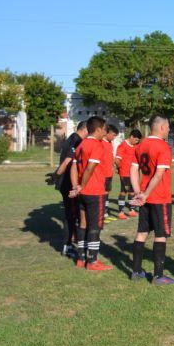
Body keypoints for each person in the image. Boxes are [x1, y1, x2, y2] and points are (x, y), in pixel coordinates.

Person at [129, 115, 174, 285]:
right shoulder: (163, 147)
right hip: (159, 198)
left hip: (145, 198)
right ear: (162, 127)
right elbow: (159, 174)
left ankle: (136, 271)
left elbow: (133, 169)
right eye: (168, 126)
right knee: (160, 235)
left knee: (142, 232)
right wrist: (145, 194)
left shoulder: (140, 145)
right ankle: (158, 276)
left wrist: (139, 192)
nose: (169, 130)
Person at [67, 116, 113, 271]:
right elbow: (90, 168)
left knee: (83, 223)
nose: (106, 132)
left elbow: (74, 167)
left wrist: (76, 186)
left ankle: (81, 258)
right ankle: (92, 261)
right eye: (105, 129)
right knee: (95, 227)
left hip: (82, 193)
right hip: (94, 191)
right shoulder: (97, 145)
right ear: (99, 129)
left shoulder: (81, 144)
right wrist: (82, 185)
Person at [55, 120, 88, 258]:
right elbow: (67, 161)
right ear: (86, 129)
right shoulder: (76, 140)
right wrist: (57, 175)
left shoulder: (72, 138)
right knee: (71, 215)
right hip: (69, 185)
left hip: (67, 183)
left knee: (72, 215)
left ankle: (71, 242)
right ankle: (67, 247)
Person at [115, 129, 142, 219]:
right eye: (136, 140)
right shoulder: (123, 145)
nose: (137, 142)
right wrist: (120, 169)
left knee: (132, 192)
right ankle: (120, 212)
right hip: (125, 173)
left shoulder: (136, 146)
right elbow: (117, 160)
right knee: (124, 191)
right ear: (131, 137)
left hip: (133, 174)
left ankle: (131, 210)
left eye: (138, 140)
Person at [101, 124, 119, 223]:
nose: (114, 137)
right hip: (101, 174)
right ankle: (101, 214)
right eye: (113, 135)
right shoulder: (100, 143)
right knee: (102, 194)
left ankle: (105, 213)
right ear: (107, 133)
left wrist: (114, 167)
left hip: (109, 173)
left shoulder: (110, 143)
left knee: (107, 193)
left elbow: (110, 157)